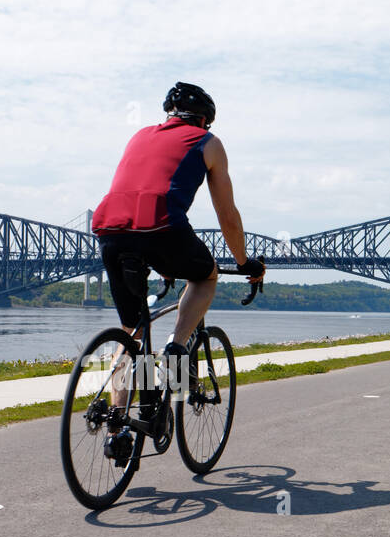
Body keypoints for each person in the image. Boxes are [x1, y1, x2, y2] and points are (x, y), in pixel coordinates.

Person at [90, 82, 263, 464]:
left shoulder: (139, 135)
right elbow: (227, 217)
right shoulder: (208, 142)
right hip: (164, 228)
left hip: (111, 232)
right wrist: (245, 261)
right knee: (205, 275)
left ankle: (117, 428)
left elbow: (140, 190)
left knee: (133, 332)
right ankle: (176, 349)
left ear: (169, 113)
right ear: (204, 118)